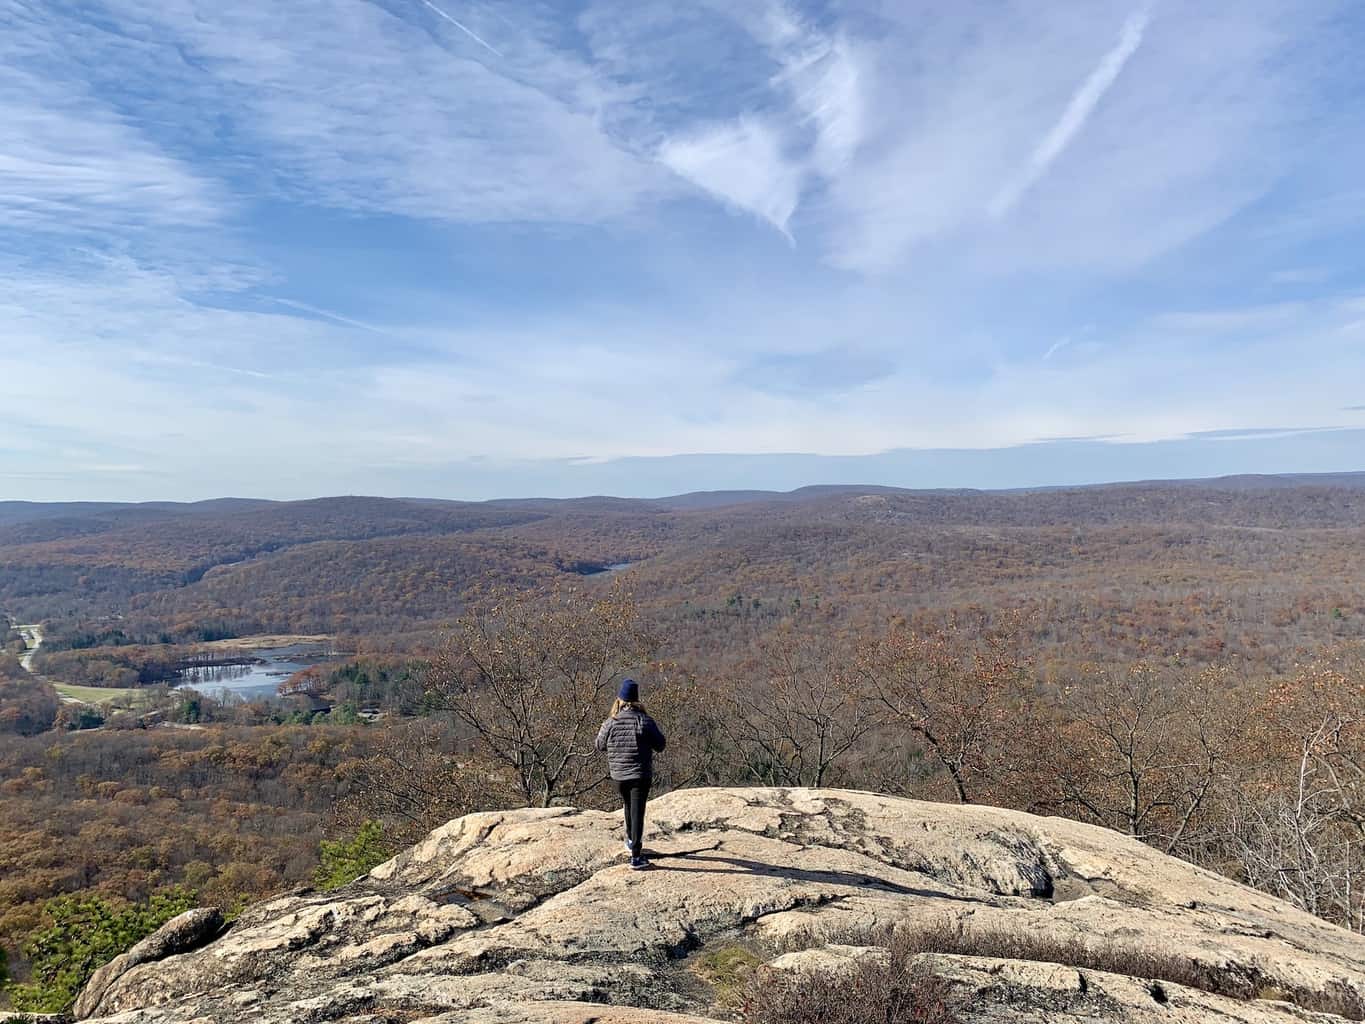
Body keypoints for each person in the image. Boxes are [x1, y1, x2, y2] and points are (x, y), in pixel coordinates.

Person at [595, 678, 666, 869]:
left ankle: (630, 840)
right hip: (640, 775)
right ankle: (636, 856)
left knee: (628, 806)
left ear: (620, 699)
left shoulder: (611, 722)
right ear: (637, 700)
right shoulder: (644, 720)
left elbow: (599, 745)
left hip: (618, 775)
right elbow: (660, 745)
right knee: (637, 812)